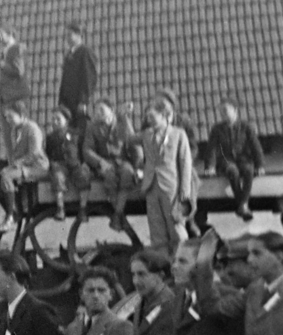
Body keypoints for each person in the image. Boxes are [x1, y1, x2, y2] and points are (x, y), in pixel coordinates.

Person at [138, 98, 194, 257]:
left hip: (172, 189)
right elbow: (127, 139)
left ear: (163, 115)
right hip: (151, 187)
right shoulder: (146, 135)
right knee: (156, 230)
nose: (149, 119)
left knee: (176, 228)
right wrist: (123, 118)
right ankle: (163, 262)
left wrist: (185, 192)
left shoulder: (178, 134)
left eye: (152, 116)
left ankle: (183, 261)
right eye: (148, 116)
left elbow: (186, 164)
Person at [81, 98, 138, 234]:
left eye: (101, 109)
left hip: (122, 160)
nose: (98, 113)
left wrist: (138, 165)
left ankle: (117, 214)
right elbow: (87, 150)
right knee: (109, 177)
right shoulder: (92, 127)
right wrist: (100, 162)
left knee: (127, 174)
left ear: (111, 110)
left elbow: (132, 141)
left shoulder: (122, 123)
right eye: (96, 110)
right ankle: (119, 215)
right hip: (104, 162)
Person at [202, 98, 263, 224]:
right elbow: (211, 148)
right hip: (226, 160)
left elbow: (255, 146)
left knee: (249, 170)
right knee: (233, 171)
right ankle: (243, 205)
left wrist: (260, 165)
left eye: (225, 110)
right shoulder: (217, 129)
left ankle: (243, 204)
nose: (223, 114)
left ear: (235, 110)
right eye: (221, 111)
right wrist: (210, 166)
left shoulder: (246, 127)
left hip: (243, 159)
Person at [0, 103, 50, 220]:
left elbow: (34, 154)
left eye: (11, 117)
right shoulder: (16, 131)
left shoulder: (32, 129)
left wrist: (16, 165)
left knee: (7, 175)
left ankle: (10, 216)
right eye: (6, 117)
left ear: (21, 114)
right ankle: (12, 210)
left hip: (37, 167)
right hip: (23, 167)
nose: (8, 120)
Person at [44, 106, 91, 222]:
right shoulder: (50, 137)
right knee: (58, 177)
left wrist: (83, 163)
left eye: (58, 119)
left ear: (66, 121)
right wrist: (52, 164)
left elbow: (82, 150)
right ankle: (60, 208)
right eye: (53, 119)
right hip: (59, 165)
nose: (55, 122)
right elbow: (48, 154)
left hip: (75, 164)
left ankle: (83, 209)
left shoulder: (75, 134)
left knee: (83, 175)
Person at [0, 29, 30, 155]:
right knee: (7, 137)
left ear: (9, 34)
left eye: (1, 35)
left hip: (16, 97)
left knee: (20, 133)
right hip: (4, 98)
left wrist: (4, 66)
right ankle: (12, 163)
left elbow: (19, 71)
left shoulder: (17, 49)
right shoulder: (4, 52)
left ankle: (21, 161)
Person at [57, 22, 99, 126]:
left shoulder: (85, 52)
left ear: (79, 35)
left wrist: (83, 101)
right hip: (67, 103)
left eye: (70, 35)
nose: (67, 38)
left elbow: (89, 78)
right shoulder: (68, 55)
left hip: (79, 102)